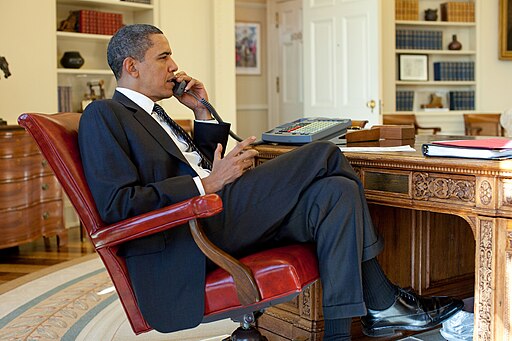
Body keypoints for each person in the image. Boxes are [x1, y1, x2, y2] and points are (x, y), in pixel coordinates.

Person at [78, 24, 463, 340]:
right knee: (324, 155)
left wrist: (203, 113)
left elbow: (193, 165)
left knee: (336, 192)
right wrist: (209, 186)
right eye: (163, 57)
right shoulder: (105, 114)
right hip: (189, 233)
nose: (175, 65)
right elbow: (119, 203)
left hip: (216, 211)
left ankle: (340, 334)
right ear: (131, 65)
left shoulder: (156, 114)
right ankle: (382, 300)